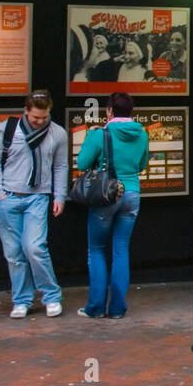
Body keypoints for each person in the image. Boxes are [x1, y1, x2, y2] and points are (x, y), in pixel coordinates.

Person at [0, 90, 68, 318]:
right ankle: (21, 300)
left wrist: (59, 196)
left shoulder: (57, 134)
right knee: (13, 253)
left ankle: (51, 295)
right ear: (26, 111)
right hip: (9, 196)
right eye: (35, 118)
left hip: (37, 197)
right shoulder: (8, 130)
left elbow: (60, 167)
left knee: (35, 247)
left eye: (44, 117)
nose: (40, 122)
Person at [75, 91, 149, 318]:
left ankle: (95, 308)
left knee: (96, 250)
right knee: (120, 250)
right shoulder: (142, 134)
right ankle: (117, 309)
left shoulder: (100, 135)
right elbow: (142, 164)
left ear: (109, 111)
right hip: (132, 194)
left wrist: (91, 137)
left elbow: (82, 163)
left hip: (107, 196)